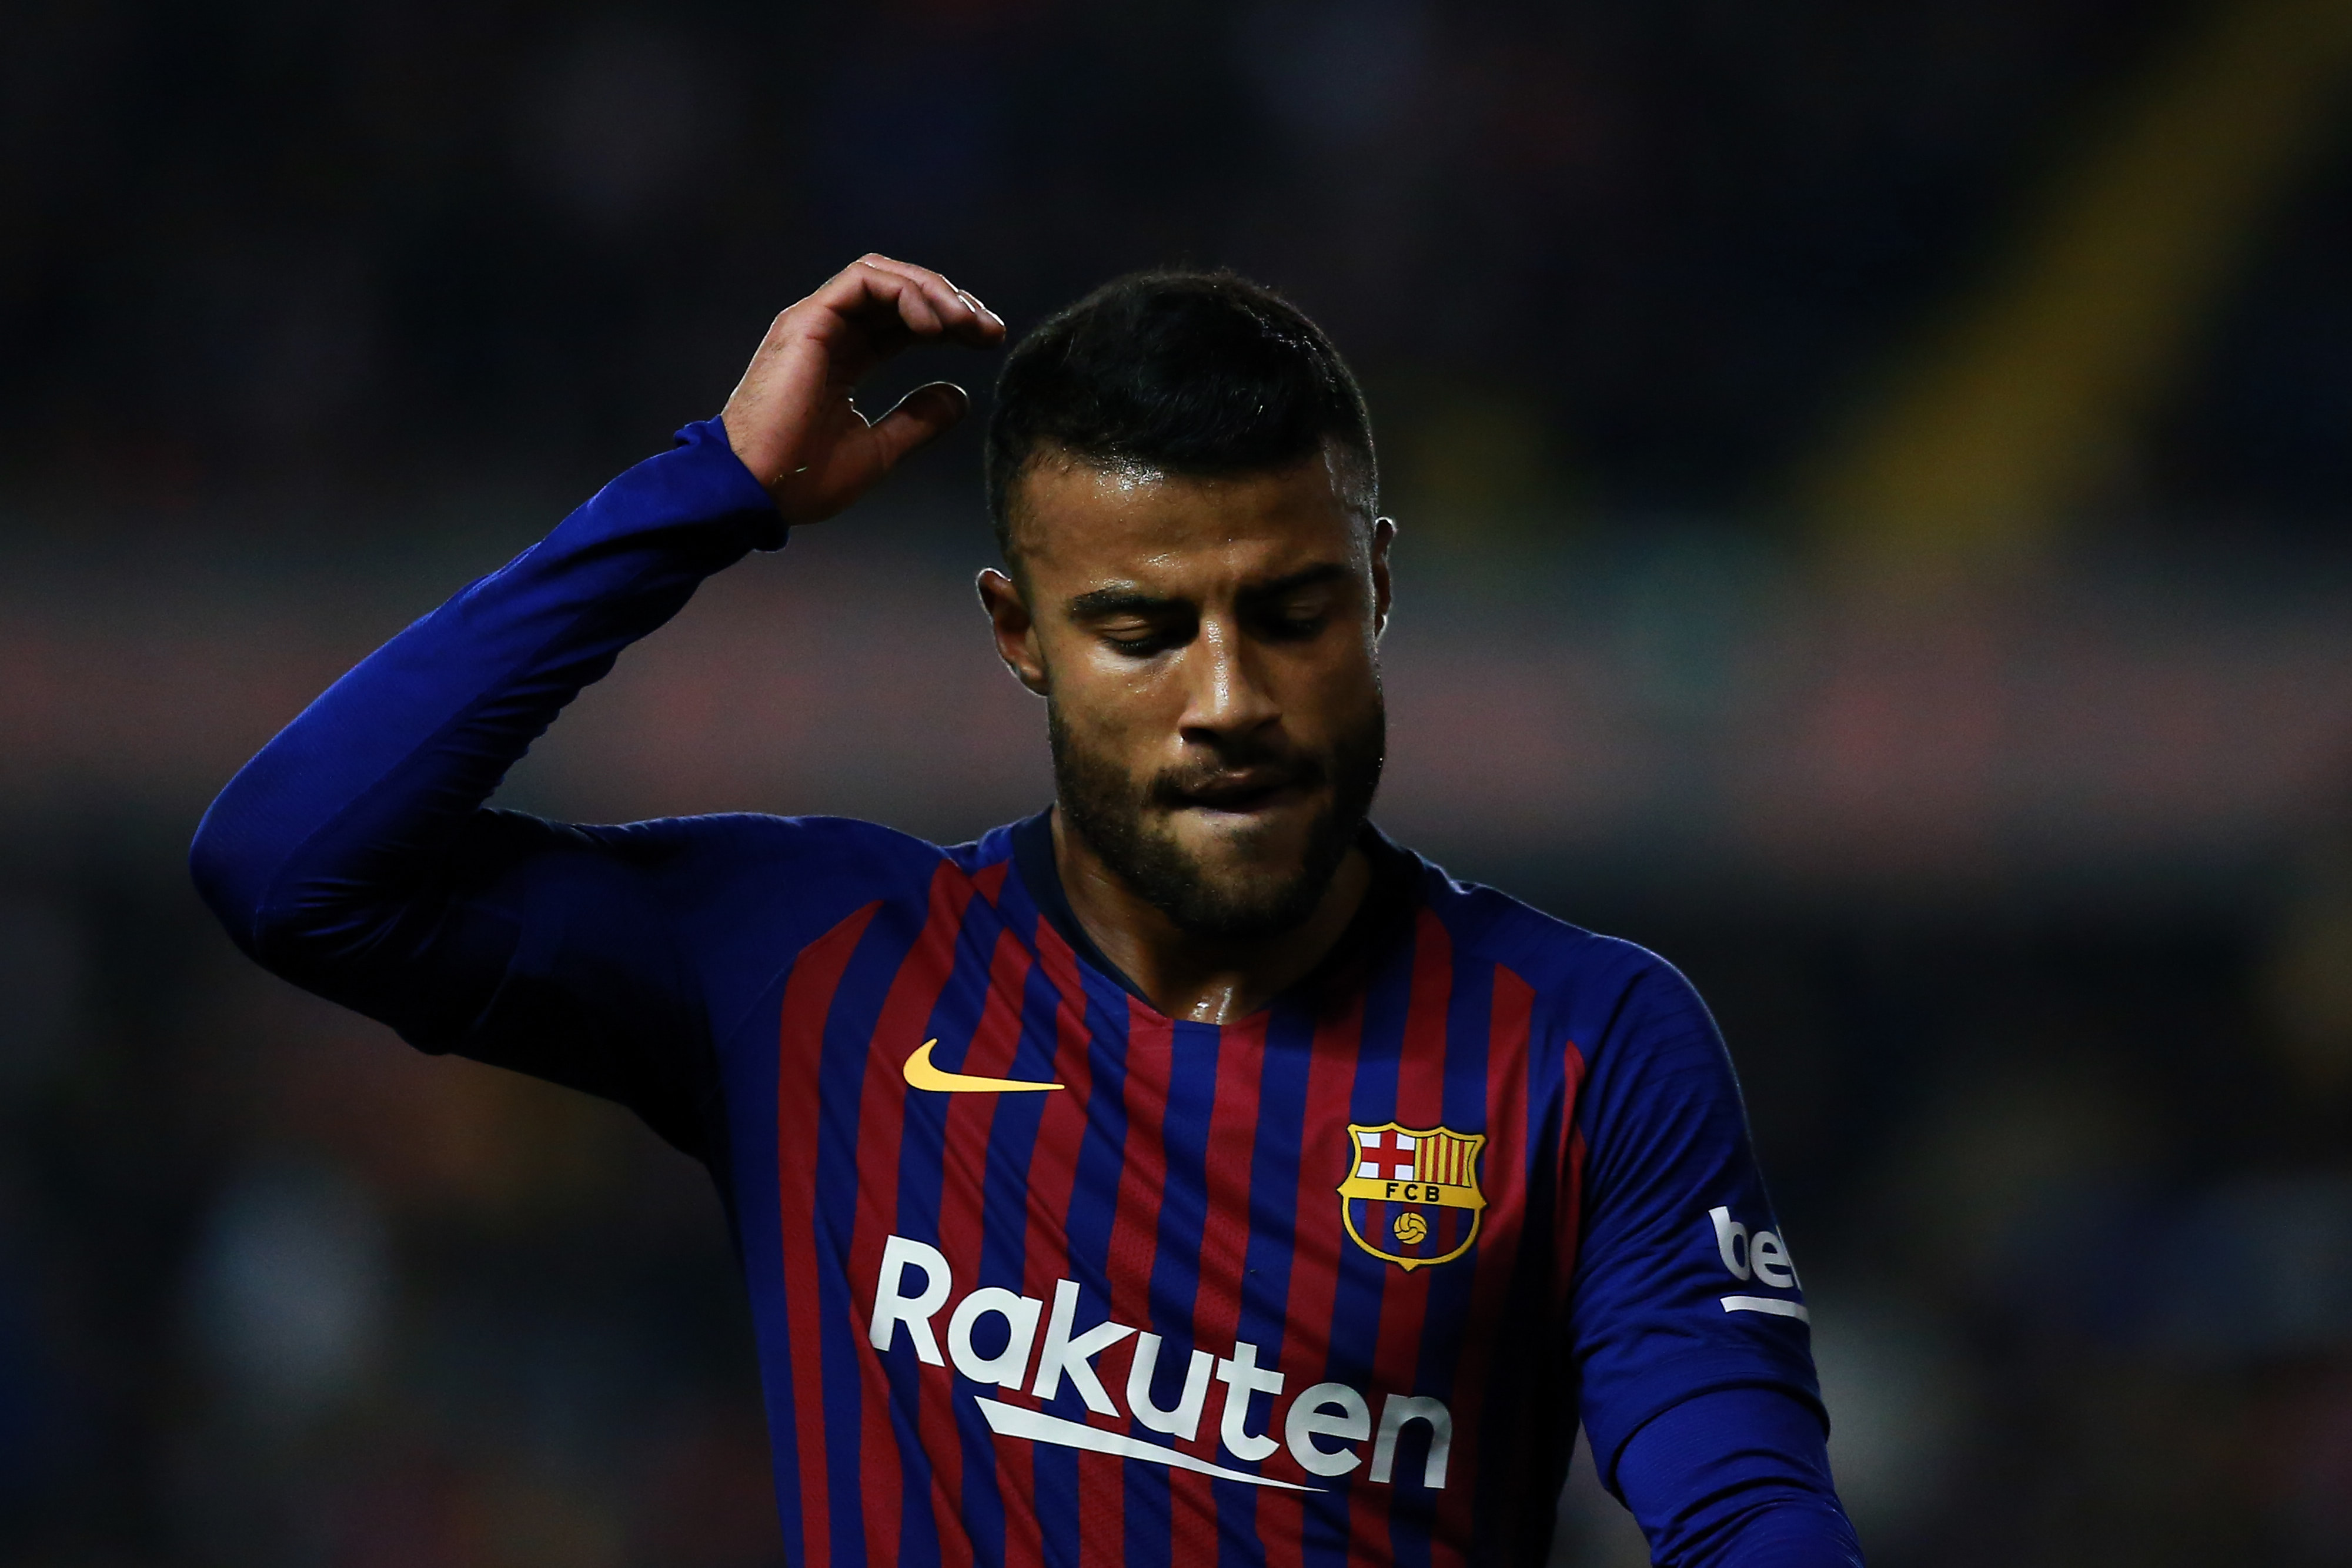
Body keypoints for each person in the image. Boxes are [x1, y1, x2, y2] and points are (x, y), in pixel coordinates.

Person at [191, 255, 1862, 1567]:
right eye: (1143, 630)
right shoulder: (817, 967)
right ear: (1019, 633)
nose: (1232, 698)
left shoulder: (1580, 1044)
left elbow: (1744, 1512)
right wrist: (712, 491)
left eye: (1291, 611)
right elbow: (291, 861)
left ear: (1380, 591)